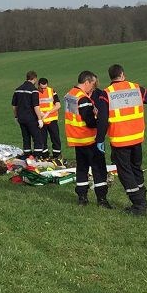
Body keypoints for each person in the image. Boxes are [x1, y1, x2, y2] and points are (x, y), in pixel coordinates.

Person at [93, 64, 147, 216]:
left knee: (125, 172)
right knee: (136, 168)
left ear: (111, 77)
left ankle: (138, 205)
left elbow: (103, 119)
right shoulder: (136, 88)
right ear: (122, 74)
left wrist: (100, 139)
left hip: (120, 140)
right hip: (137, 138)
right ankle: (142, 201)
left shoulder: (106, 94)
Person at [63, 70, 111, 208]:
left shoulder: (69, 95)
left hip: (76, 139)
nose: (93, 88)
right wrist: (99, 119)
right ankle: (102, 199)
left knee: (82, 169)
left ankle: (82, 198)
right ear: (87, 82)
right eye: (92, 84)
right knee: (99, 169)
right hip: (88, 138)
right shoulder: (83, 98)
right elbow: (89, 121)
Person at [11, 70, 44, 159]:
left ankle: (27, 156)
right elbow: (36, 106)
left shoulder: (18, 89)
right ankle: (37, 157)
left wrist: (16, 116)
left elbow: (14, 105)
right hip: (31, 118)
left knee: (25, 137)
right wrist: (40, 119)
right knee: (37, 137)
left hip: (21, 118)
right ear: (35, 78)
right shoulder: (34, 90)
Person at [36, 77, 63, 160]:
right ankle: (45, 156)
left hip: (52, 119)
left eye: (45, 88)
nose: (43, 90)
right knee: (42, 139)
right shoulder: (35, 93)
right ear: (38, 85)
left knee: (55, 138)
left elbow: (58, 105)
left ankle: (57, 155)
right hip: (41, 121)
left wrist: (48, 112)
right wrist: (40, 114)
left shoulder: (51, 91)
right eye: (42, 88)